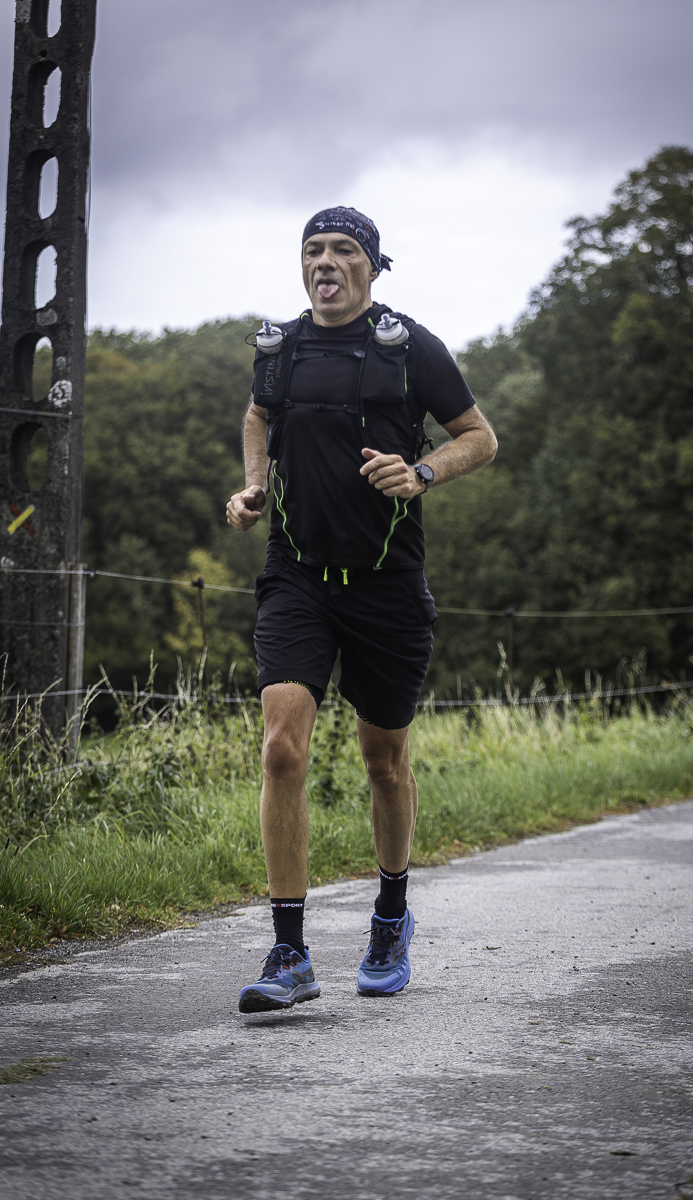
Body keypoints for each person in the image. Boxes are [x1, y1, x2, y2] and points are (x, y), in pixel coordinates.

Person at [227, 206, 497, 1012]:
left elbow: (479, 436)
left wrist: (422, 472)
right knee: (282, 746)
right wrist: (253, 486)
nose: (326, 261)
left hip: (385, 584)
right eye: (313, 250)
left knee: (385, 760)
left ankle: (389, 917)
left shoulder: (409, 347)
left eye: (343, 249)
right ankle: (290, 953)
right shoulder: (280, 349)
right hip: (297, 576)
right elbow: (259, 415)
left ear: (373, 267)